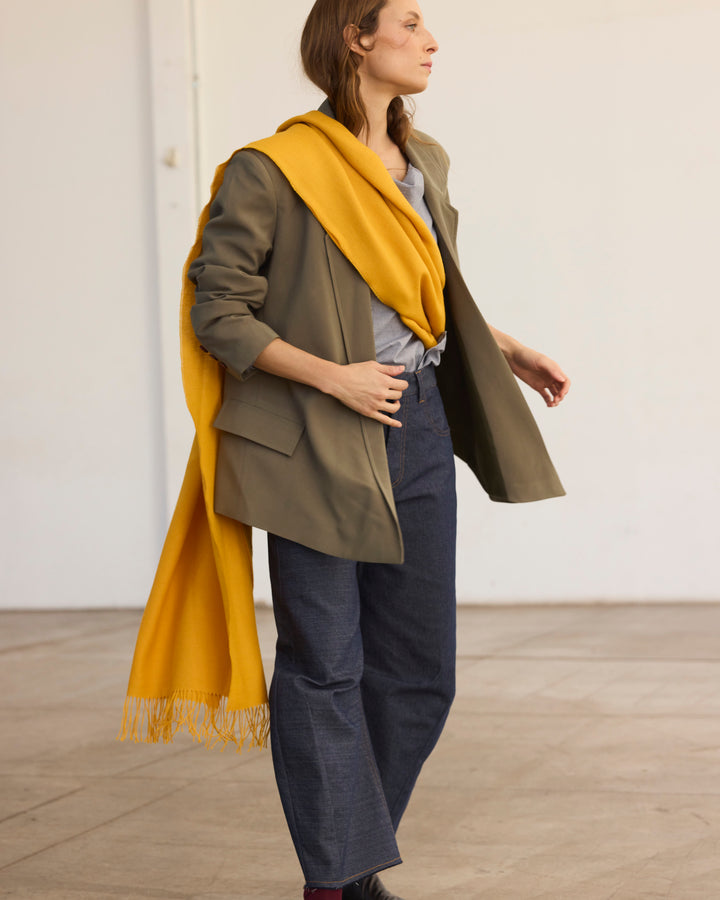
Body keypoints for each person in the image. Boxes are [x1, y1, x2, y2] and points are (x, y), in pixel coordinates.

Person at [132, 1, 569, 898]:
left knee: (419, 672)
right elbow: (218, 313)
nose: (431, 40)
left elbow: (426, 291)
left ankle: (347, 861)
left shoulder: (425, 160)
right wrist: (333, 378)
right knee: (325, 665)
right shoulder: (273, 170)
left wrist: (508, 348)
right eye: (409, 24)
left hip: (417, 423)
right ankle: (336, 883)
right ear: (355, 39)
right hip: (309, 438)